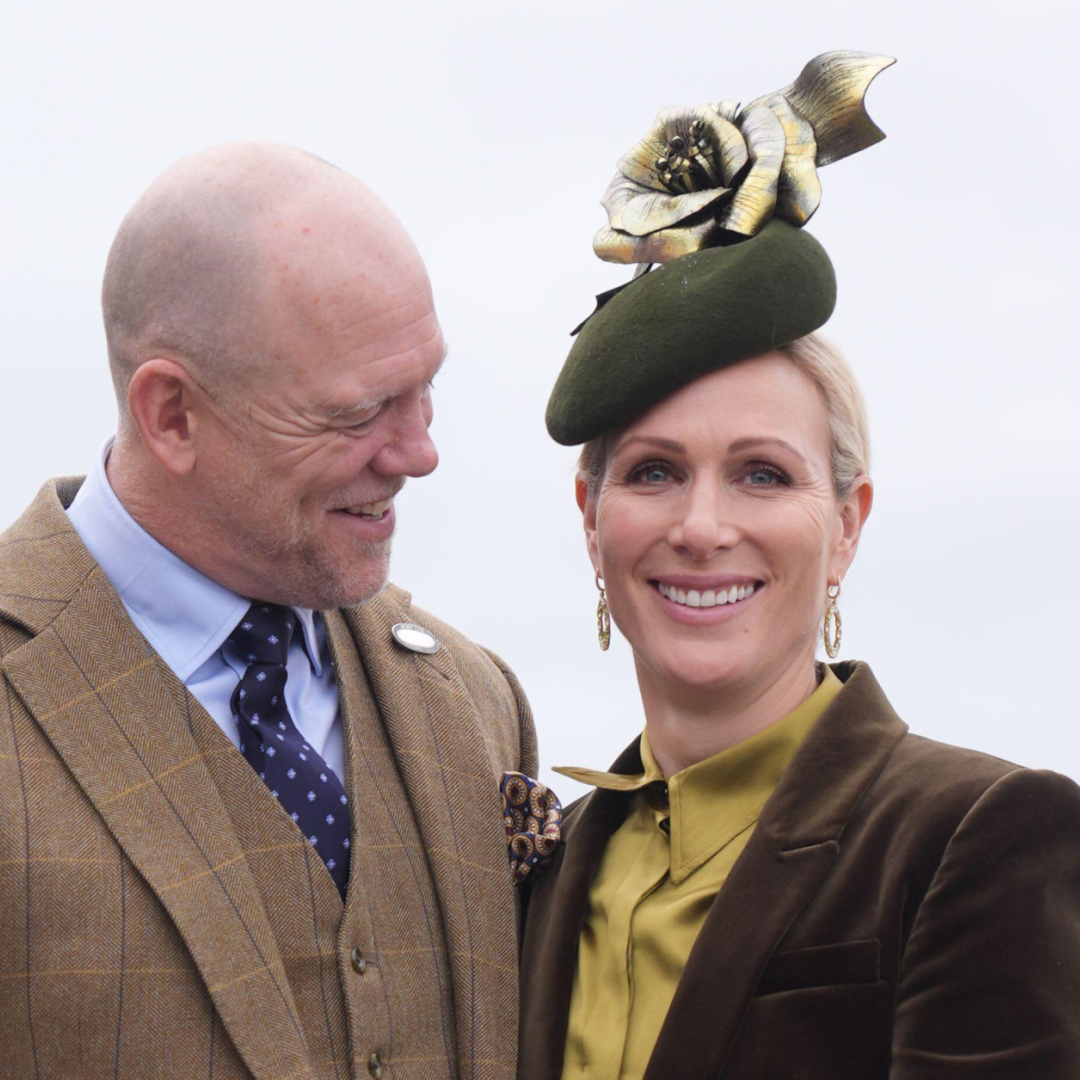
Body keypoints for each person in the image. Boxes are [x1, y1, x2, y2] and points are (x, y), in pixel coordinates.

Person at [517, 52, 1080, 1078]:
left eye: (763, 476)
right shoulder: (541, 871)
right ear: (590, 519)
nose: (701, 525)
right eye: (652, 472)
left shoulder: (980, 836)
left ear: (848, 526)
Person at [0, 143, 536, 1080]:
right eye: (360, 412)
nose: (418, 454)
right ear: (171, 414)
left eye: (427, 391)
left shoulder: (477, 699)